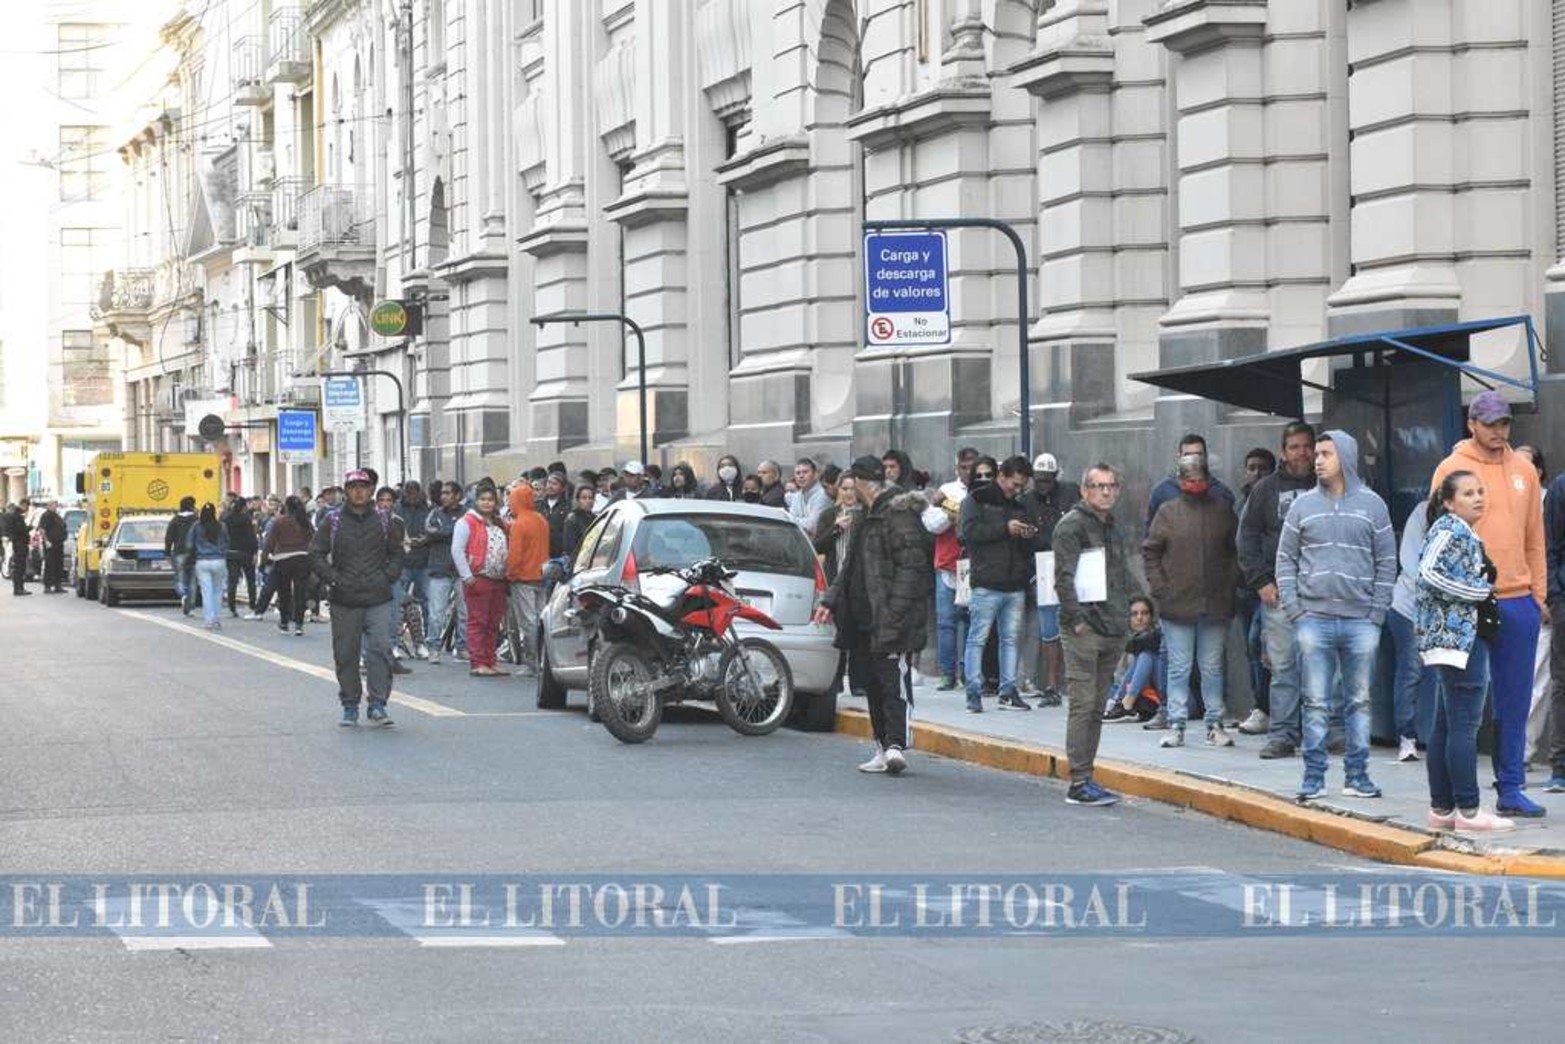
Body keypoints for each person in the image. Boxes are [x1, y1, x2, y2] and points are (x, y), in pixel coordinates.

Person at [1429, 391, 1548, 818]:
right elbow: (1436, 532)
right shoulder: (1451, 467)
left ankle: (1511, 788)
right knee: (1456, 708)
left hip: (1517, 601)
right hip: (1467, 604)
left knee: (1515, 702)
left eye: (1505, 423)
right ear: (1472, 425)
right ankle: (1447, 800)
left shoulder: (1524, 471)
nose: (1499, 431)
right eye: (1490, 423)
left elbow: (1535, 538)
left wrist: (1537, 594)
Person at [1276, 430, 1396, 801]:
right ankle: (1313, 778)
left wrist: (1376, 613)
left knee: (1359, 701)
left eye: (1326, 454)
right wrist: (1295, 610)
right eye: (1317, 454)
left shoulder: (1373, 505)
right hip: (1313, 618)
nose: (1317, 460)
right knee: (1315, 702)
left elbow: (1387, 561)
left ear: (1345, 456)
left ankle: (1357, 776)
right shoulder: (1302, 506)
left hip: (1361, 621)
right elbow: (1285, 559)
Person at [815, 455, 933, 776]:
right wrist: (830, 600)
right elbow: (849, 567)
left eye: (853, 484)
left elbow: (912, 569)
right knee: (873, 685)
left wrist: (895, 613)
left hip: (891, 618)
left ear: (862, 484)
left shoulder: (899, 515)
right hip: (863, 618)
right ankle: (882, 747)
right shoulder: (864, 518)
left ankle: (896, 744)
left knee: (893, 681)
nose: (849, 491)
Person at [1417, 470, 1511, 832]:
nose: (1478, 498)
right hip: (1458, 639)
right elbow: (1428, 573)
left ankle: (1442, 810)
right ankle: (1469, 812)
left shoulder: (1458, 531)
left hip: (1453, 640)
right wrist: (1478, 592)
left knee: (1446, 724)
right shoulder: (1450, 529)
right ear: (1448, 502)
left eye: (1480, 491)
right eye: (1468, 493)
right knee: (1464, 727)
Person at [1055, 463, 1139, 806]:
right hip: (1084, 628)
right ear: (1084, 490)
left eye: (1111, 485)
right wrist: (1077, 620)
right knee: (1083, 703)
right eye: (1098, 485)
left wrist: (1135, 606)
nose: (1106, 491)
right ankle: (1078, 780)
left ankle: (1087, 775)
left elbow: (1120, 573)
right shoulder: (1071, 525)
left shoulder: (1113, 526)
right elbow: (1063, 578)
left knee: (1097, 706)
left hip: (1112, 625)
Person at [1142, 454, 1239, 748]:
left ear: (1208, 479)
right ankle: (1176, 723)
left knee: (1212, 667)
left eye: (1200, 478)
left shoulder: (1222, 511)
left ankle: (1214, 723)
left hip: (1215, 603)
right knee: (1179, 667)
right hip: (1177, 604)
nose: (1195, 484)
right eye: (1189, 479)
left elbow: (1235, 551)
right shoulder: (1167, 512)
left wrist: (1229, 584)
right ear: (1180, 481)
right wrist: (1161, 588)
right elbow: (1151, 551)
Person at [1238, 421, 1317, 758]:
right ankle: (1283, 734)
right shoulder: (1265, 490)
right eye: (1294, 447)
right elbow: (1247, 538)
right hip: (1279, 594)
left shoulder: (1328, 484)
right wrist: (1260, 581)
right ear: (1283, 452)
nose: (1301, 453)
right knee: (1283, 669)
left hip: (1321, 593)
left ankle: (1326, 733)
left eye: (1306, 446)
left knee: (1324, 667)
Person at [309, 469, 406, 727]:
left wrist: (387, 577)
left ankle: (378, 704)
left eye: (364, 486)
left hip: (378, 596)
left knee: (381, 649)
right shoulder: (332, 520)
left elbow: (397, 553)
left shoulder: (384, 520)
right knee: (346, 654)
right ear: (346, 491)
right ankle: (350, 704)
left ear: (371, 490)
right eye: (353, 487)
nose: (359, 491)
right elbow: (316, 553)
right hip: (344, 598)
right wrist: (333, 578)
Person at [959, 455, 1042, 713]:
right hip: (986, 581)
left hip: (1014, 582)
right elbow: (968, 533)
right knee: (978, 638)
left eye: (1021, 486)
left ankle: (1008, 690)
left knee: (1010, 639)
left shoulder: (1019, 505)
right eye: (1014, 484)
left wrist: (1028, 534)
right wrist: (1005, 528)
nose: (1016, 490)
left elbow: (1028, 546)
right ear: (1001, 476)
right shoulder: (976, 499)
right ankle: (974, 691)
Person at [1019, 452, 1077, 705]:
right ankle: (1052, 684)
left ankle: (1074, 682)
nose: (1043, 485)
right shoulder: (1026, 501)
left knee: (1075, 625)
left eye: (1047, 480)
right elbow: (1025, 541)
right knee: (1049, 630)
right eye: (1039, 480)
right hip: (1042, 568)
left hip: (1069, 563)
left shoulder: (1070, 492)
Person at [927, 448, 979, 691]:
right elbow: (932, 524)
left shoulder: (984, 491)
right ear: (957, 468)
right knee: (946, 622)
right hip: (948, 564)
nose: (968, 472)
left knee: (971, 622)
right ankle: (947, 673)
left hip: (973, 565)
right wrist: (952, 513)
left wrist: (954, 509)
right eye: (964, 467)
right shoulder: (947, 490)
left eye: (972, 467)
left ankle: (969, 672)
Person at [1386, 501, 1435, 762]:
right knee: (1411, 670)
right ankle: (1407, 737)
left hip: (1446, 610)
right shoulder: (1422, 512)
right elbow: (1411, 562)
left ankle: (1440, 737)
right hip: (1410, 607)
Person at [452, 480, 510, 678]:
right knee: (478, 621)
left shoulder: (498, 522)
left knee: (493, 623)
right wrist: (467, 576)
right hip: (478, 578)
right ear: (476, 501)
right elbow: (457, 550)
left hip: (498, 579)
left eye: (490, 500)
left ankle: (490, 660)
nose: (487, 503)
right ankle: (478, 662)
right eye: (483, 499)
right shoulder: (466, 522)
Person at [1144, 433, 1236, 533]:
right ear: (1179, 458)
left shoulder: (1222, 493)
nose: (1193, 460)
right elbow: (1150, 533)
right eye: (1187, 455)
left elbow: (1232, 534)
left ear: (1205, 457)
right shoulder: (1162, 492)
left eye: (1198, 455)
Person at [505, 480, 550, 675]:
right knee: (541, 620)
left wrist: (510, 575)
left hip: (523, 579)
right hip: (541, 576)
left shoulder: (519, 524)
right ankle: (545, 660)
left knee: (528, 623)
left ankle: (532, 663)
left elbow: (515, 556)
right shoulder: (541, 519)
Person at [424, 481, 469, 663]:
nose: (443, 496)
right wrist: (455, 530)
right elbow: (430, 532)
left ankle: (463, 647)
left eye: (448, 493)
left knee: (465, 612)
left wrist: (446, 532)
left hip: (462, 570)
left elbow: (471, 534)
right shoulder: (435, 513)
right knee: (436, 613)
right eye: (442, 493)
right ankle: (434, 648)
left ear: (458, 495)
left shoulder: (467, 514)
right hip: (439, 569)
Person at [1103, 596, 1165, 723]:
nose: (1139, 618)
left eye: (1145, 613)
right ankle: (1119, 703)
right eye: (1134, 614)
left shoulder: (1158, 637)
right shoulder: (1124, 640)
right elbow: (1118, 680)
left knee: (1145, 656)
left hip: (1169, 696)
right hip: (1143, 696)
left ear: (1151, 616)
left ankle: (1124, 704)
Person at [262, 496, 314, 636]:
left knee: (284, 592)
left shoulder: (279, 521)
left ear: (287, 507)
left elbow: (269, 543)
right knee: (300, 592)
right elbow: (314, 541)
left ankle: (284, 622)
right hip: (302, 558)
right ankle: (299, 624)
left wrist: (263, 560)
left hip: (283, 559)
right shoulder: (305, 522)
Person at [394, 480, 434, 655]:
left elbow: (434, 530)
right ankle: (396, 641)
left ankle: (427, 641)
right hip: (403, 562)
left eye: (414, 493)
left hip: (424, 561)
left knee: (427, 602)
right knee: (398, 603)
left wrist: (425, 539)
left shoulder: (428, 509)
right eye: (408, 493)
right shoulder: (397, 508)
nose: (411, 496)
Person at [186, 503, 230, 631]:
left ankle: (208, 620)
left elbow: (189, 544)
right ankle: (216, 619)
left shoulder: (196, 526)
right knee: (218, 591)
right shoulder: (222, 526)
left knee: (206, 592)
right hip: (219, 560)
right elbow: (227, 541)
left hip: (202, 561)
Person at [813, 472, 858, 586]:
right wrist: (836, 528)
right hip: (834, 577)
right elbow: (818, 547)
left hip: (857, 580)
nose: (849, 493)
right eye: (845, 489)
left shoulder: (866, 515)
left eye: (853, 489)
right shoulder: (828, 515)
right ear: (839, 490)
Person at [223, 496, 259, 617]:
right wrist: (255, 551)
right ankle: (253, 605)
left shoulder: (227, 519)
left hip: (231, 552)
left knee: (232, 581)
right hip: (246, 553)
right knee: (250, 580)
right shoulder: (246, 519)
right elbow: (251, 536)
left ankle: (232, 607)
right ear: (244, 507)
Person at [164, 496, 199, 613]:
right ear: (191, 506)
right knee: (192, 580)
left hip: (179, 553)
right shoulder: (196, 520)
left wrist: (167, 553)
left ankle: (183, 595)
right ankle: (191, 606)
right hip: (194, 554)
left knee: (180, 577)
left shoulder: (175, 520)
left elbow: (169, 538)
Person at [786, 458, 830, 537]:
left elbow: (812, 526)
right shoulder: (797, 496)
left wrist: (793, 520)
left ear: (815, 475)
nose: (801, 476)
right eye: (798, 473)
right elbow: (789, 522)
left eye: (805, 472)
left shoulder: (823, 494)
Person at [538, 472, 573, 557]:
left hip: (559, 554)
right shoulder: (538, 506)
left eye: (554, 484)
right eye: (549, 482)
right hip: (540, 552)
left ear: (563, 488)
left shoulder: (568, 507)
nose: (550, 486)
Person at [562, 484, 599, 560]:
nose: (588, 501)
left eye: (591, 498)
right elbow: (570, 547)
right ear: (578, 500)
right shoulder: (572, 519)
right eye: (584, 498)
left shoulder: (596, 518)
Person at [38, 502, 66, 593]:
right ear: (48, 506)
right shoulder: (46, 515)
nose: (55, 507)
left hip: (58, 543)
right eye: (53, 505)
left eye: (55, 505)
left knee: (58, 564)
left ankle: (58, 585)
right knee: (50, 564)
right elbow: (42, 529)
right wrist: (46, 541)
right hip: (50, 543)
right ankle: (48, 586)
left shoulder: (56, 516)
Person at [7, 502, 31, 596]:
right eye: (26, 507)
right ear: (23, 505)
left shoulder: (17, 516)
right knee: (19, 567)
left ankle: (20, 588)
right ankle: (18, 588)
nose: (27, 509)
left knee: (20, 567)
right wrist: (29, 528)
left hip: (20, 544)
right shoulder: (17, 516)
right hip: (19, 544)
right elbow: (20, 530)